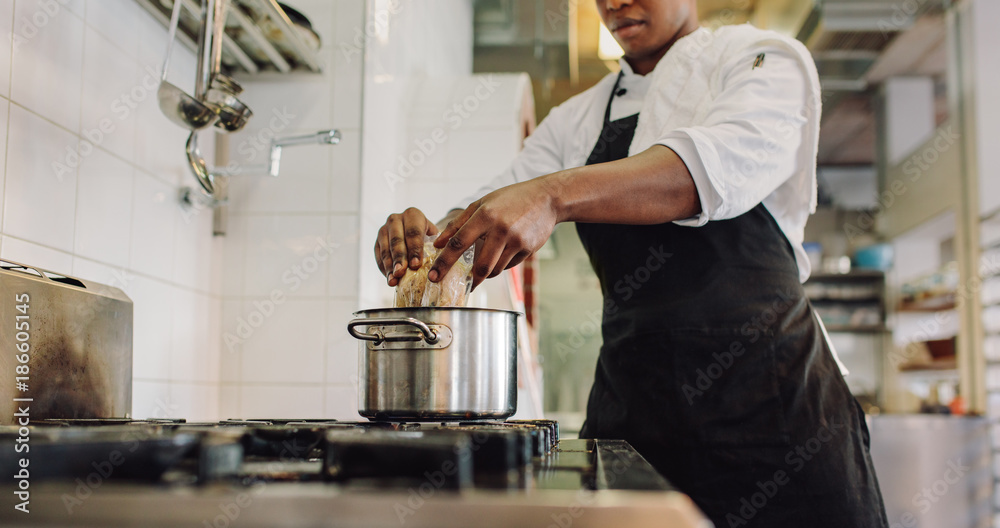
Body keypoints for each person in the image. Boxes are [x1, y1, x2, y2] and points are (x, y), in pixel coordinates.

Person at [373, 0, 889, 526]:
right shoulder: (574, 119)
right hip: (636, 412)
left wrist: (553, 196)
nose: (613, 3)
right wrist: (434, 238)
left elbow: (711, 172)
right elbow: (496, 209)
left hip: (774, 408)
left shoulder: (760, 58)